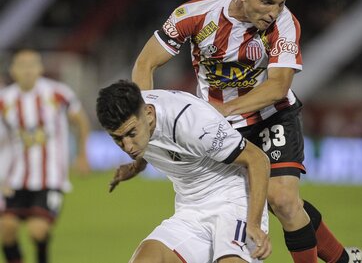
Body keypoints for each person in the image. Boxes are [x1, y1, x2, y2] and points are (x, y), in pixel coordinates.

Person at [132, 0, 362, 263]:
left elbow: (278, 86)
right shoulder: (195, 14)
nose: (274, 12)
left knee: (281, 198)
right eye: (267, 2)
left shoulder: (285, 24)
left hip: (272, 115)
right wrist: (147, 120)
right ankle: (343, 260)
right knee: (245, 201)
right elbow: (145, 63)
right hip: (222, 125)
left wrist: (224, 110)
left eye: (280, 3)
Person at [96, 80, 271, 262]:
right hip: (190, 210)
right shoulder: (134, 113)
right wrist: (136, 166)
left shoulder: (194, 123)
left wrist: (254, 224)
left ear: (148, 113)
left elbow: (257, 160)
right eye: (118, 139)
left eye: (132, 134)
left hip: (234, 201)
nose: (128, 147)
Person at [0, 49, 91, 263]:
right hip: (15, 177)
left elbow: (81, 121)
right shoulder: (5, 100)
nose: (28, 70)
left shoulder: (58, 93)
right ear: (13, 70)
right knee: (6, 227)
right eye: (22, 65)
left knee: (37, 230)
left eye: (32, 65)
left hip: (50, 177)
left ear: (40, 68)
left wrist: (82, 155)